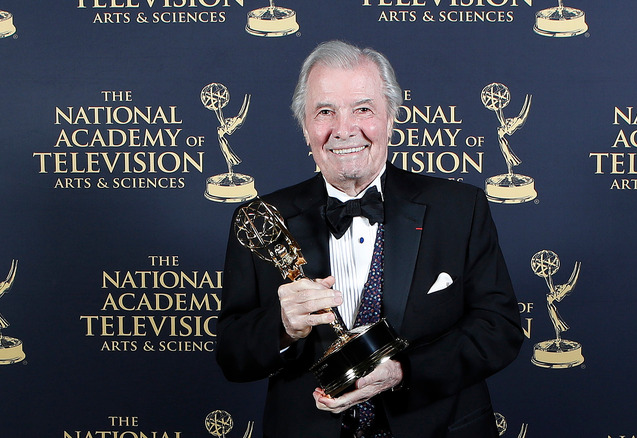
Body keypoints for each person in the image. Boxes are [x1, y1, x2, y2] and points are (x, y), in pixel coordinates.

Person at [217, 40, 523, 438]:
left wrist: (400, 370)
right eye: (325, 112)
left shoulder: (459, 209)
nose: (344, 130)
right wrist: (282, 327)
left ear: (391, 117)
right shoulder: (260, 222)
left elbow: (498, 330)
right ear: (305, 126)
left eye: (363, 109)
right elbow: (231, 356)